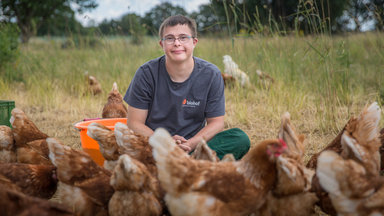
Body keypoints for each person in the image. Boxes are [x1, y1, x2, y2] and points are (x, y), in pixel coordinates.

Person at [124, 15, 250, 160]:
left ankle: (186, 164)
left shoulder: (211, 74)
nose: (177, 43)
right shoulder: (146, 73)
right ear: (162, 44)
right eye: (170, 38)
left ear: (194, 42)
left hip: (193, 145)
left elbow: (216, 123)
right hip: (156, 145)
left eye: (183, 37)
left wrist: (189, 145)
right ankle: (192, 168)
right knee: (128, 146)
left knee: (239, 138)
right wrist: (167, 143)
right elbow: (134, 123)